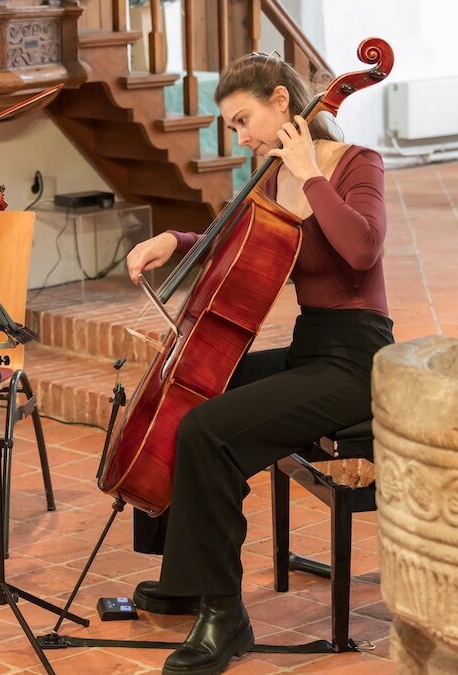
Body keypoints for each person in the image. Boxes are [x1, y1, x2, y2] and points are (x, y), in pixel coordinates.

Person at [123, 52, 393, 674]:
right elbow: (229, 240)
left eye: (244, 121)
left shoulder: (357, 165)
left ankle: (226, 616)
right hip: (312, 347)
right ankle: (189, 577)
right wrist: (175, 242)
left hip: (358, 360)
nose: (240, 138)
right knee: (193, 397)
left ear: (281, 102)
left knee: (207, 432)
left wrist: (311, 174)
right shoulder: (269, 180)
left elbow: (362, 249)